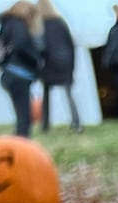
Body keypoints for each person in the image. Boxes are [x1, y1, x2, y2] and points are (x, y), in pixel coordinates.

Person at [0, 2, 41, 137]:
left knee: (21, 114)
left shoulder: (6, 26)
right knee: (24, 116)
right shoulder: (18, 24)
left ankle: (20, 141)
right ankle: (22, 145)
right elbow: (21, 45)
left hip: (8, 73)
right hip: (19, 73)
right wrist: (36, 60)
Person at [35, 0, 78, 131]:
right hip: (65, 63)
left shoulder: (41, 25)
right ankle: (77, 123)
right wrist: (71, 64)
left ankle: (45, 125)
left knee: (46, 95)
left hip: (50, 63)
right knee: (69, 94)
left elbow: (41, 46)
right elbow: (71, 44)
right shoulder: (61, 22)